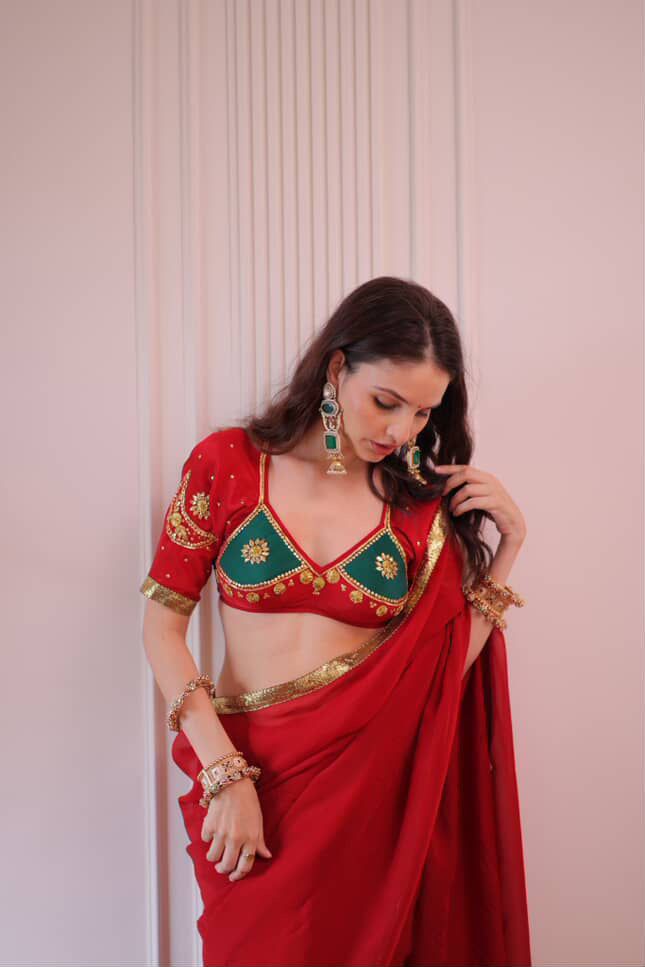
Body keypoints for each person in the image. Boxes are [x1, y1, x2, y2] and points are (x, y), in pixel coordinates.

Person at [140, 276, 532, 967]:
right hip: (248, 784)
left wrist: (509, 551)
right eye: (386, 401)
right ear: (336, 366)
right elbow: (161, 628)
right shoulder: (227, 464)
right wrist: (225, 774)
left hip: (370, 804)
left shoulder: (417, 509)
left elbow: (437, 676)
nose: (400, 431)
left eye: (422, 412)